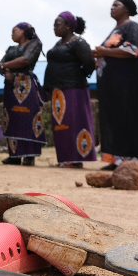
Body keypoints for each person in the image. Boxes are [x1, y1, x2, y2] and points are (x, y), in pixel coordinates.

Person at [93, 0, 138, 169]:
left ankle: (130, 160)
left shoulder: (132, 27)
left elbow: (133, 50)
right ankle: (115, 159)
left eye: (116, 5)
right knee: (112, 121)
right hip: (111, 87)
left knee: (127, 119)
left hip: (127, 85)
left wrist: (104, 51)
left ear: (127, 9)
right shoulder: (114, 30)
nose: (112, 7)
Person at [43, 12, 96, 168]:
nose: (54, 28)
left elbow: (89, 63)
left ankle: (76, 158)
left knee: (75, 123)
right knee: (61, 125)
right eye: (53, 25)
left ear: (68, 26)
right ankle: (65, 158)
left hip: (74, 89)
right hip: (58, 90)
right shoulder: (59, 44)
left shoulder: (78, 42)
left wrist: (78, 74)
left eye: (57, 24)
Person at [0, 22, 46, 165]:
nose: (12, 34)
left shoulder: (34, 44)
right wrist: (6, 71)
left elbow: (26, 60)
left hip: (26, 84)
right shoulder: (11, 48)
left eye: (14, 31)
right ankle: (15, 156)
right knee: (11, 118)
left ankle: (29, 155)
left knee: (28, 116)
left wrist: (5, 66)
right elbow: (0, 65)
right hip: (10, 85)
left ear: (24, 31)